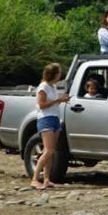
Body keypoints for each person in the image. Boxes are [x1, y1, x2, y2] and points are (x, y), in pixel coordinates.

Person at [31, 62, 71, 190]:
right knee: (48, 150)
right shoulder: (43, 87)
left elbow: (52, 104)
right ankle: (34, 179)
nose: (60, 75)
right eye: (59, 72)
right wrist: (58, 100)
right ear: (54, 74)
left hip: (54, 118)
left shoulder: (52, 87)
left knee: (50, 151)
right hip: (46, 119)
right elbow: (41, 105)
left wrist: (61, 99)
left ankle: (47, 179)